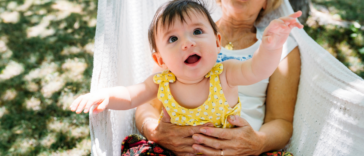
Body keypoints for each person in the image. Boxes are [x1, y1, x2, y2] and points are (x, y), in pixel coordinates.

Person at [135, 0, 302, 155]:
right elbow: (147, 103)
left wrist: (258, 143)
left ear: (267, 2)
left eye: (198, 31)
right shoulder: (179, 36)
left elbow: (281, 121)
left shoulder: (278, 45)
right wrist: (154, 131)